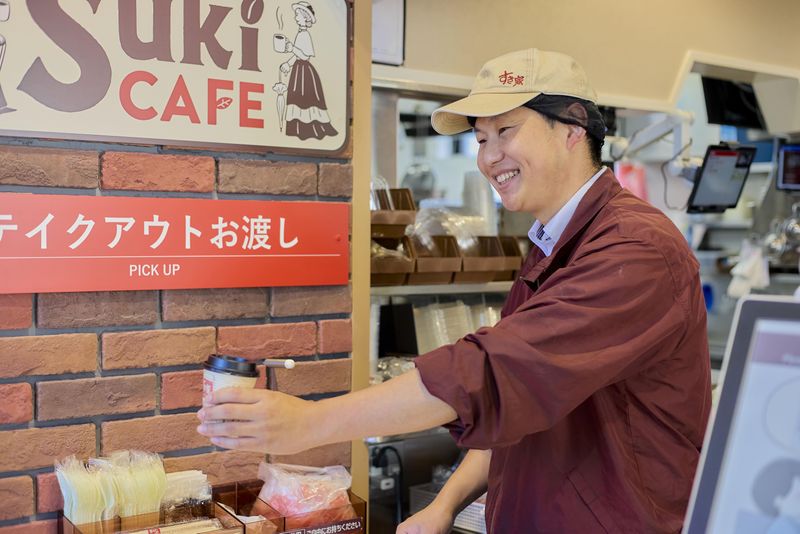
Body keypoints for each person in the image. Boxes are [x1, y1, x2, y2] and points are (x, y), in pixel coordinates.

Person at [197, 48, 712, 533]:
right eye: (481, 139)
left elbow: (496, 370)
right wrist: (444, 505)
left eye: (506, 130)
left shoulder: (635, 248)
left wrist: (310, 423)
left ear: (573, 128)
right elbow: (519, 401)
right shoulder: (551, 242)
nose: (490, 157)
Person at [277, 1, 338, 140]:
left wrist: (291, 48)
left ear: (305, 18)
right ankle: (298, 129)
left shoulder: (305, 35)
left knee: (305, 99)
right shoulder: (300, 33)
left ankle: (309, 129)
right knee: (296, 98)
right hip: (298, 70)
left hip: (304, 72)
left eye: (297, 15)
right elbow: (297, 55)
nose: (295, 18)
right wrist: (288, 64)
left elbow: (305, 55)